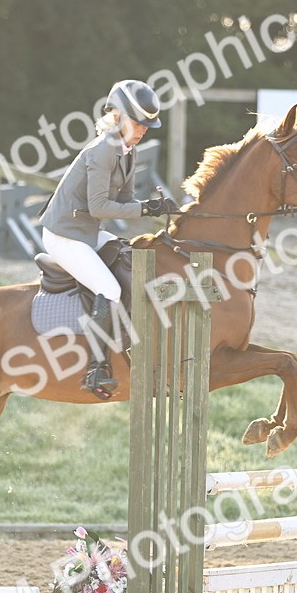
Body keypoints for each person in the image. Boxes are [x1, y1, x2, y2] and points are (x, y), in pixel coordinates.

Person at [39, 79, 179, 400]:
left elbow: (127, 198)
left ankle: (127, 343)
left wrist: (152, 207)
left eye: (147, 125)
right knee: (110, 288)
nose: (143, 129)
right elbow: (99, 206)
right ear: (117, 117)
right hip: (63, 234)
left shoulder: (128, 152)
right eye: (138, 123)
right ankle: (96, 369)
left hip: (86, 231)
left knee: (129, 258)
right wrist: (146, 208)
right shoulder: (103, 151)